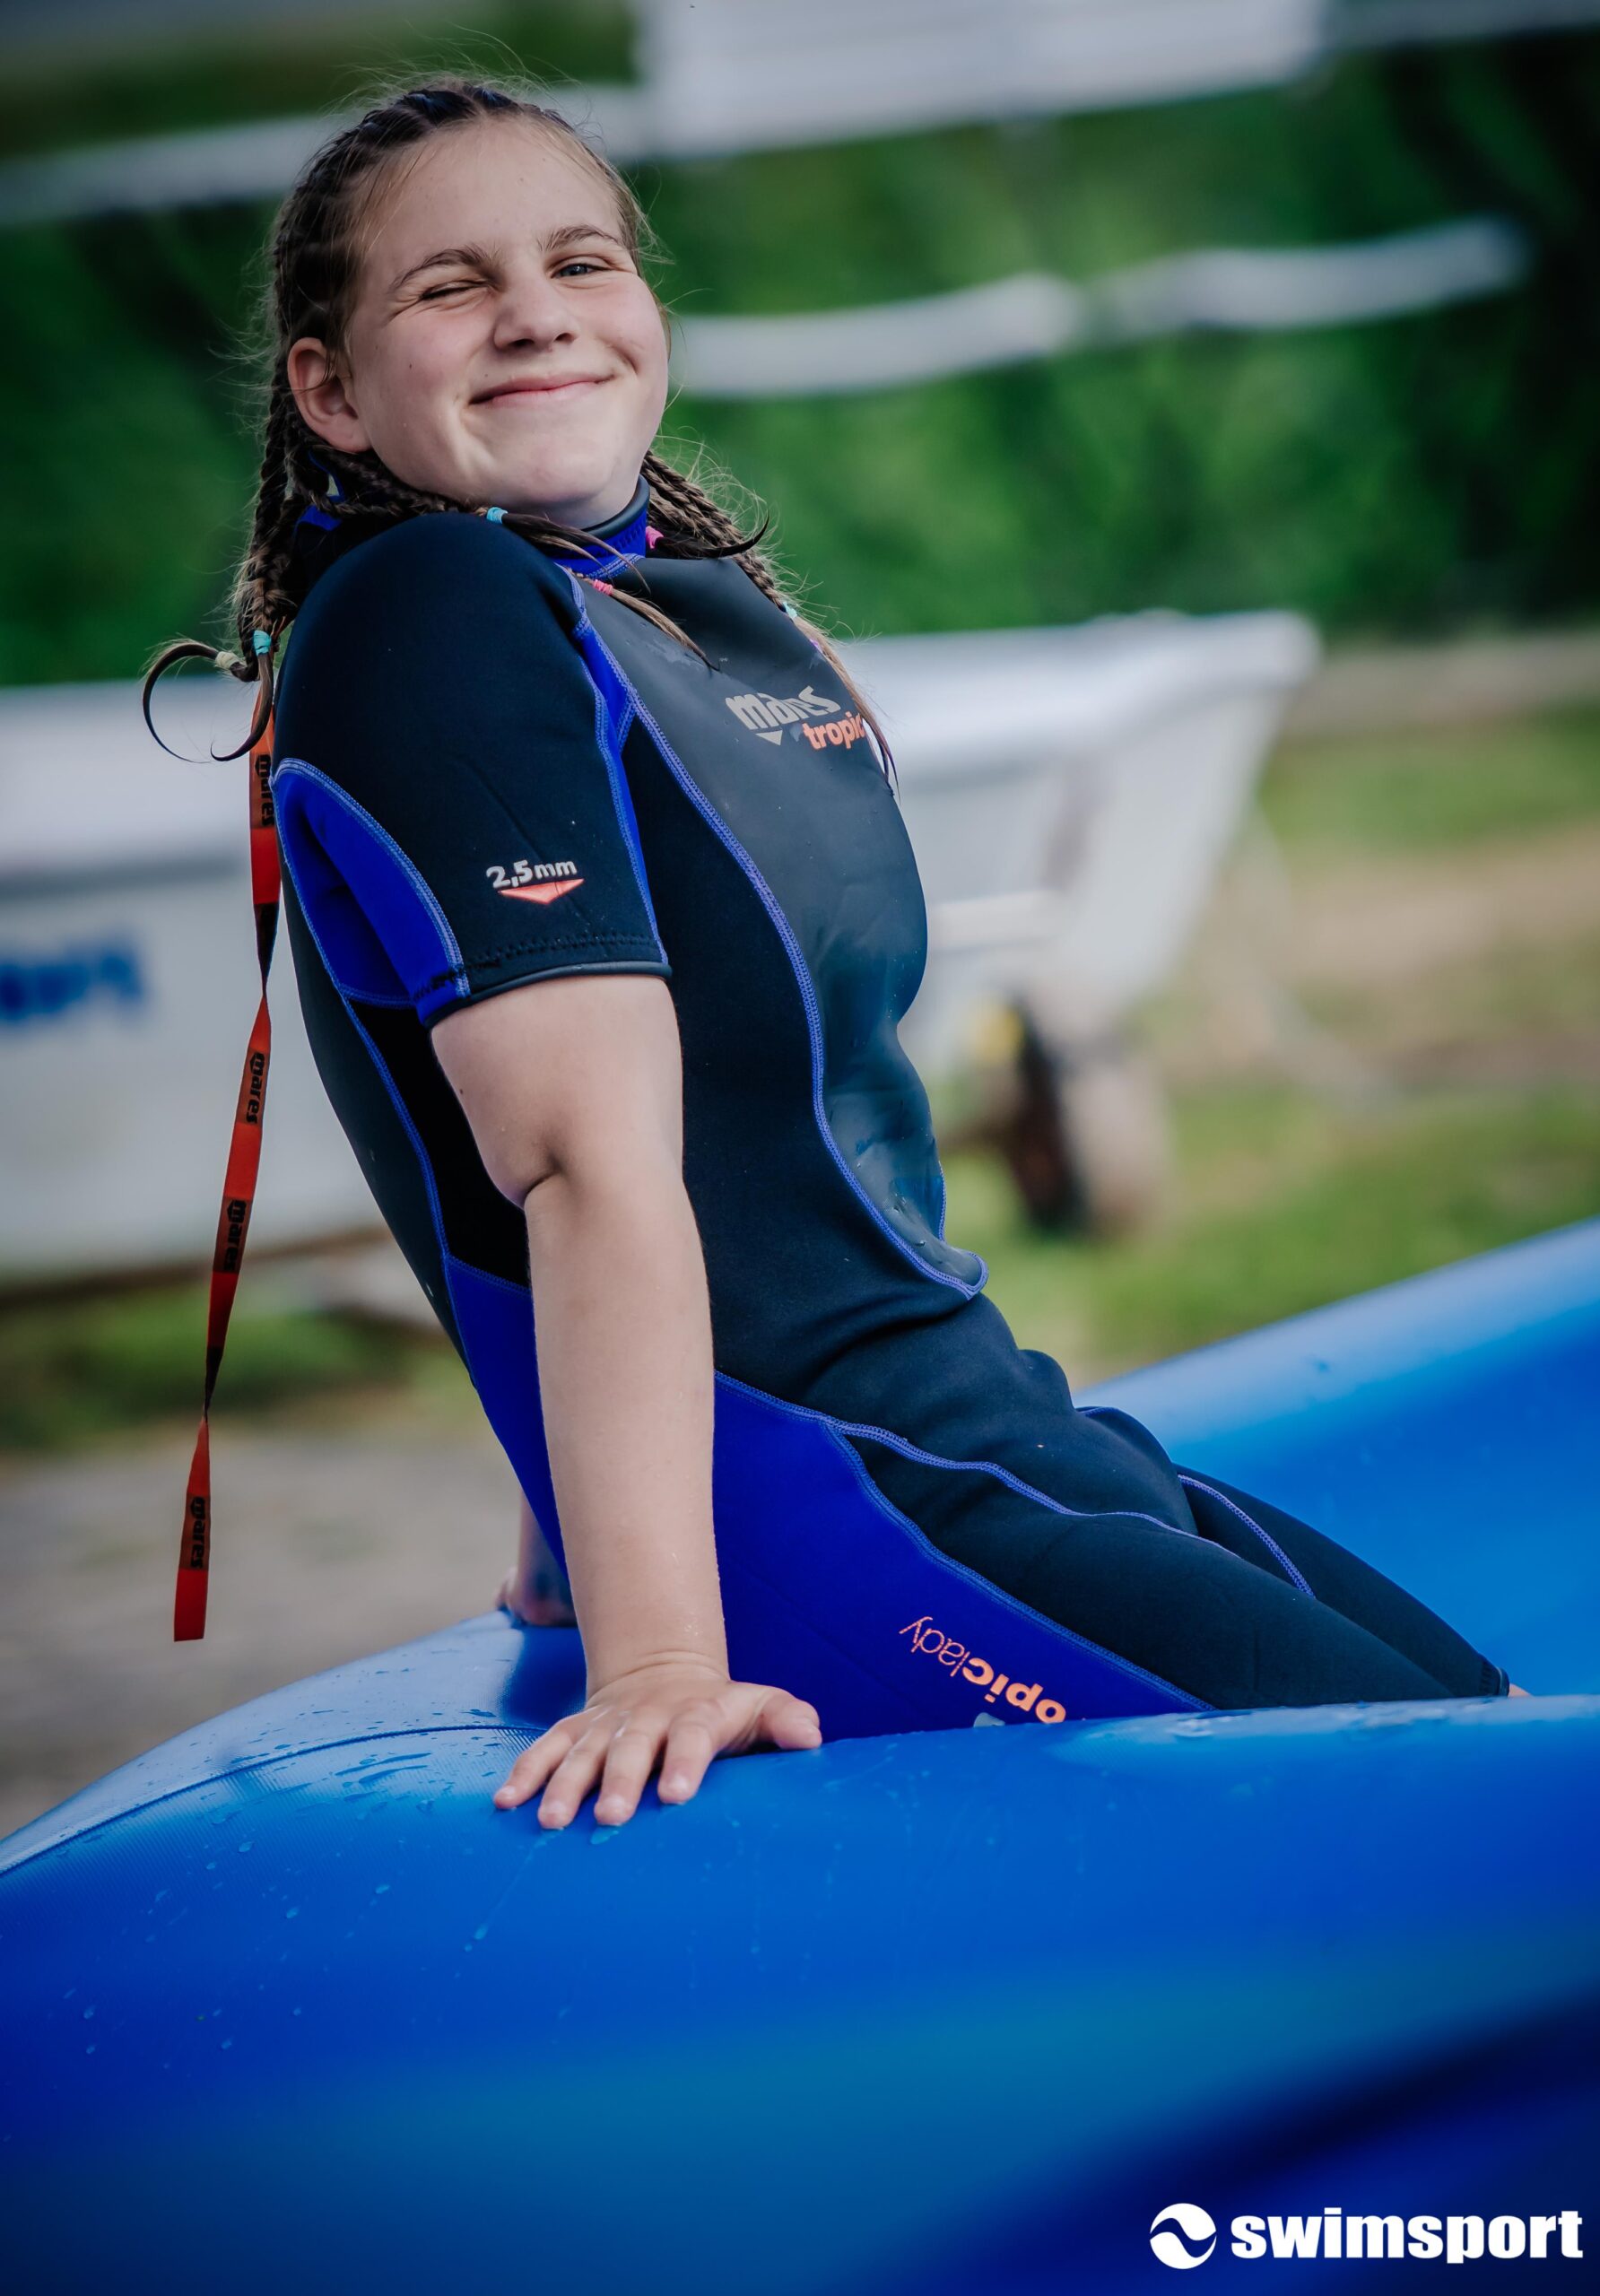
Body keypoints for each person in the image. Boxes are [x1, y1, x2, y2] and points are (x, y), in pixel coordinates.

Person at [144, 79, 1524, 1834]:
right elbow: (574, 1157)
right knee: (1495, 1829)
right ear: (331, 390)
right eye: (451, 284)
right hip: (838, 1519)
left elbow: (758, 1114)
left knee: (1499, 1740)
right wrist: (656, 1658)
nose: (538, 311)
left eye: (582, 260)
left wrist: (561, 1510)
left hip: (997, 1434)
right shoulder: (432, 613)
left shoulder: (690, 605)